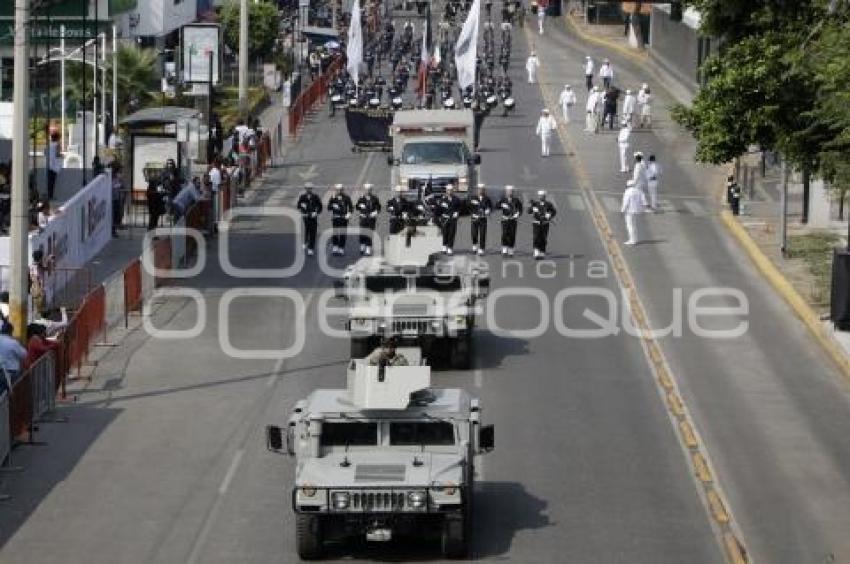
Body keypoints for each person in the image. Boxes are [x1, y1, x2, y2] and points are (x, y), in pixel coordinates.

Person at [528, 189, 557, 259]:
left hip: (545, 223)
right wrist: (532, 209)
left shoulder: (549, 204)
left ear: (545, 196)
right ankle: (536, 251)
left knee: (543, 238)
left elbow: (554, 212)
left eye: (542, 196)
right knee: (536, 237)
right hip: (536, 223)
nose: (541, 197)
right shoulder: (535, 204)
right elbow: (528, 211)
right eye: (540, 196)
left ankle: (542, 252)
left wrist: (549, 215)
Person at [297, 182, 323, 256]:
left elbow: (320, 206)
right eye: (307, 188)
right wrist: (302, 207)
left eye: (310, 188)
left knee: (313, 232)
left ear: (312, 189)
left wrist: (316, 212)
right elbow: (298, 205)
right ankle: (305, 242)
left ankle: (311, 248)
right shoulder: (302, 197)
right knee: (307, 230)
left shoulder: (315, 196)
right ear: (305, 189)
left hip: (313, 216)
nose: (309, 190)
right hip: (306, 216)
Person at [328, 184, 353, 256]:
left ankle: (341, 248)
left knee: (342, 233)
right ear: (336, 190)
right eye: (337, 189)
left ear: (343, 190)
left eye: (340, 189)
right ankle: (335, 247)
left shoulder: (346, 197)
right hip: (336, 217)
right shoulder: (333, 197)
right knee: (335, 233)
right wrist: (333, 205)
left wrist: (349, 214)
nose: (339, 191)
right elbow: (329, 208)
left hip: (343, 218)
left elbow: (351, 207)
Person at [356, 184, 381, 255]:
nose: (367, 191)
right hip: (363, 217)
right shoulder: (361, 198)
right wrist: (360, 206)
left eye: (369, 189)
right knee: (362, 232)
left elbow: (378, 207)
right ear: (364, 190)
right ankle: (362, 245)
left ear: (371, 190)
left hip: (371, 218)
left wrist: (375, 212)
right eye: (366, 189)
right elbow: (357, 207)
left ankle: (368, 248)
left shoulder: (375, 198)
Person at [0, 322, 27, 390]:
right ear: (11, 331)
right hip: (11, 372)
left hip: (1, 370)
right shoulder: (12, 342)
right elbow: (24, 354)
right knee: (12, 392)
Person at [621, 179, 648, 245]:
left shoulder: (627, 192)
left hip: (629, 211)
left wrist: (622, 211)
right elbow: (644, 201)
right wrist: (645, 208)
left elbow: (625, 202)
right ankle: (635, 239)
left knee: (630, 225)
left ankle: (632, 240)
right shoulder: (639, 191)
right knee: (634, 225)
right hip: (637, 210)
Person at [498, 185, 523, 256]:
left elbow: (520, 209)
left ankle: (511, 248)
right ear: (506, 192)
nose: (509, 193)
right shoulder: (503, 199)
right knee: (505, 234)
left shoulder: (516, 200)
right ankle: (504, 248)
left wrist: (517, 214)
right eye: (508, 191)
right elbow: (497, 206)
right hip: (505, 219)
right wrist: (502, 205)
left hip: (513, 219)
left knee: (512, 234)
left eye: (511, 191)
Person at [469, 184, 492, 255]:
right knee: (474, 233)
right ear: (477, 190)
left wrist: (488, 210)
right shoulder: (473, 198)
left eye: (482, 189)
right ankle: (474, 247)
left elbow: (490, 207)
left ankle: (482, 249)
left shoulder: (487, 199)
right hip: (474, 219)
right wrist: (472, 214)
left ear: (484, 190)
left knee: (482, 234)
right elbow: (469, 207)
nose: (480, 190)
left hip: (483, 219)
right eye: (479, 189)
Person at [439, 185, 461, 254]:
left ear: (453, 191)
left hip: (453, 219)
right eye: (448, 190)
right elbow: (439, 209)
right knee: (445, 232)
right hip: (445, 219)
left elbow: (460, 208)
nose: (449, 192)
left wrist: (457, 213)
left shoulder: (457, 199)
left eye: (451, 190)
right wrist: (441, 215)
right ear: (446, 191)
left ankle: (450, 247)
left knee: (452, 233)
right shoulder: (442, 200)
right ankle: (444, 246)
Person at [208, 158, 223, 234]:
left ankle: (212, 226)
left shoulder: (210, 171)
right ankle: (215, 227)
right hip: (216, 192)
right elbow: (218, 184)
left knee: (213, 211)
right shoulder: (217, 172)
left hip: (211, 192)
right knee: (216, 211)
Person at [47, 131, 62, 200]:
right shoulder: (57, 144)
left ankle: (49, 195)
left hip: (49, 164)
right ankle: (51, 196)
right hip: (54, 165)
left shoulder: (49, 144)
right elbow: (57, 154)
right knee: (52, 181)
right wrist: (62, 156)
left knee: (49, 181)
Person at [111, 162, 125, 235]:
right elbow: (113, 186)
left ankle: (115, 228)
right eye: (120, 169)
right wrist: (119, 185)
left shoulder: (117, 177)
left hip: (117, 197)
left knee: (117, 214)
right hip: (113, 198)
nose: (121, 171)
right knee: (113, 214)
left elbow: (121, 185)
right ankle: (112, 230)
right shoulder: (112, 177)